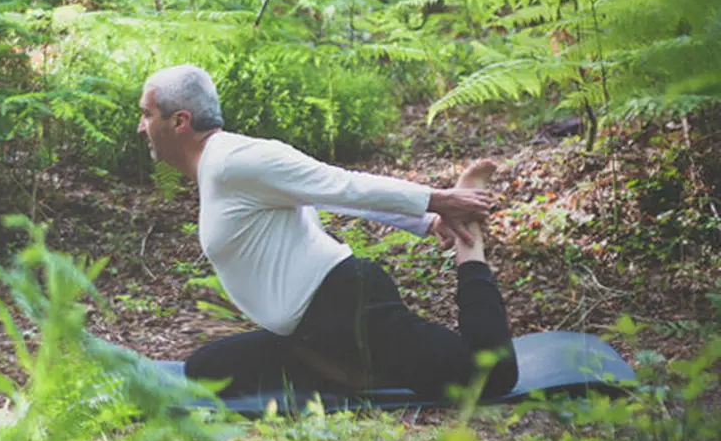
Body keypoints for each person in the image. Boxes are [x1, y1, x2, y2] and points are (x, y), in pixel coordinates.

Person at [137, 64, 518, 400]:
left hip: (347, 307)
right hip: (305, 334)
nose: (141, 127)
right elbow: (337, 197)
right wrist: (425, 221)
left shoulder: (235, 160)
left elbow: (339, 184)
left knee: (491, 376)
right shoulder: (217, 168)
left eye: (147, 114)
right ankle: (347, 370)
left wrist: (436, 202)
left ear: (179, 121)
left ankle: (472, 253)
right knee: (207, 369)